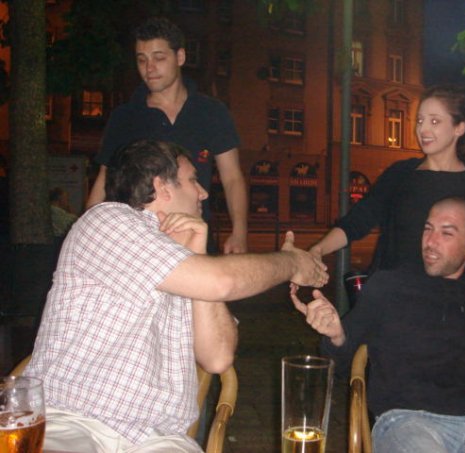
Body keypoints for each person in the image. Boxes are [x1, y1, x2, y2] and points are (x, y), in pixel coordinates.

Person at [25, 140, 328, 453]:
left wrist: (198, 255)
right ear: (162, 187)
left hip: (157, 439)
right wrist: (291, 263)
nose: (203, 193)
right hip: (72, 419)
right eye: (193, 180)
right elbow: (222, 281)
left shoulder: (187, 266)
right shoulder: (107, 221)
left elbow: (218, 357)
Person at [293, 197, 465, 453]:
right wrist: (336, 335)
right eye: (428, 229)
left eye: (446, 233)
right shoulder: (390, 285)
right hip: (407, 423)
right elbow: (343, 364)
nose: (430, 241)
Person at [310, 84, 465, 312]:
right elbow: (358, 220)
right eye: (420, 120)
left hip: (455, 305)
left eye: (435, 121)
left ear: (459, 128)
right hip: (396, 302)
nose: (423, 129)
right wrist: (317, 251)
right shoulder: (400, 174)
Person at [86, 17, 247, 254]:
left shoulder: (212, 112)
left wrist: (240, 232)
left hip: (195, 235)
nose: (149, 68)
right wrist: (88, 231)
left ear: (180, 57)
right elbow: (104, 180)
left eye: (159, 58)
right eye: (142, 60)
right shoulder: (125, 116)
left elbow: (232, 177)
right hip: (138, 241)